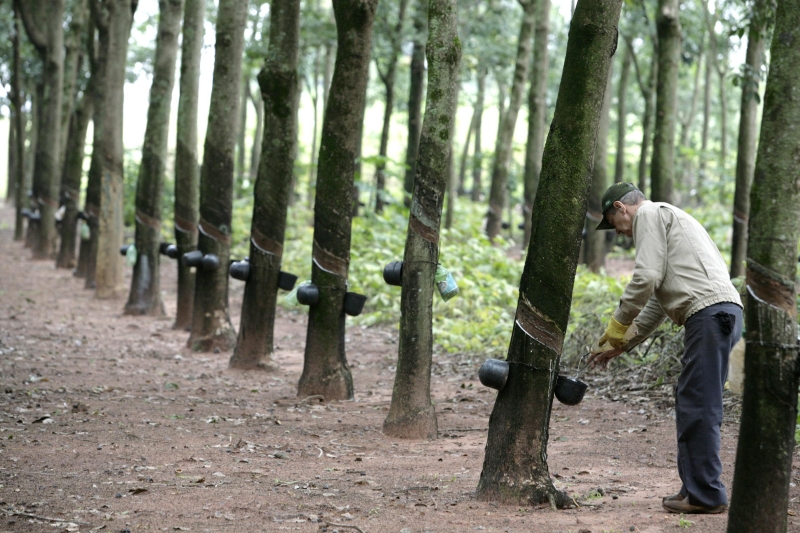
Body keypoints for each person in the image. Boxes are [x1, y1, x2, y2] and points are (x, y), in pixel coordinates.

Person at [588, 182, 742, 515]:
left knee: (699, 404)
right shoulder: (670, 219)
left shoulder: (649, 214)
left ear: (621, 207)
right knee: (696, 401)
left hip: (710, 315)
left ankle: (706, 495)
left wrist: (617, 324)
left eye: (615, 225)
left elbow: (645, 278)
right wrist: (623, 344)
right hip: (722, 314)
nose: (620, 234)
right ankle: (696, 488)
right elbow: (657, 304)